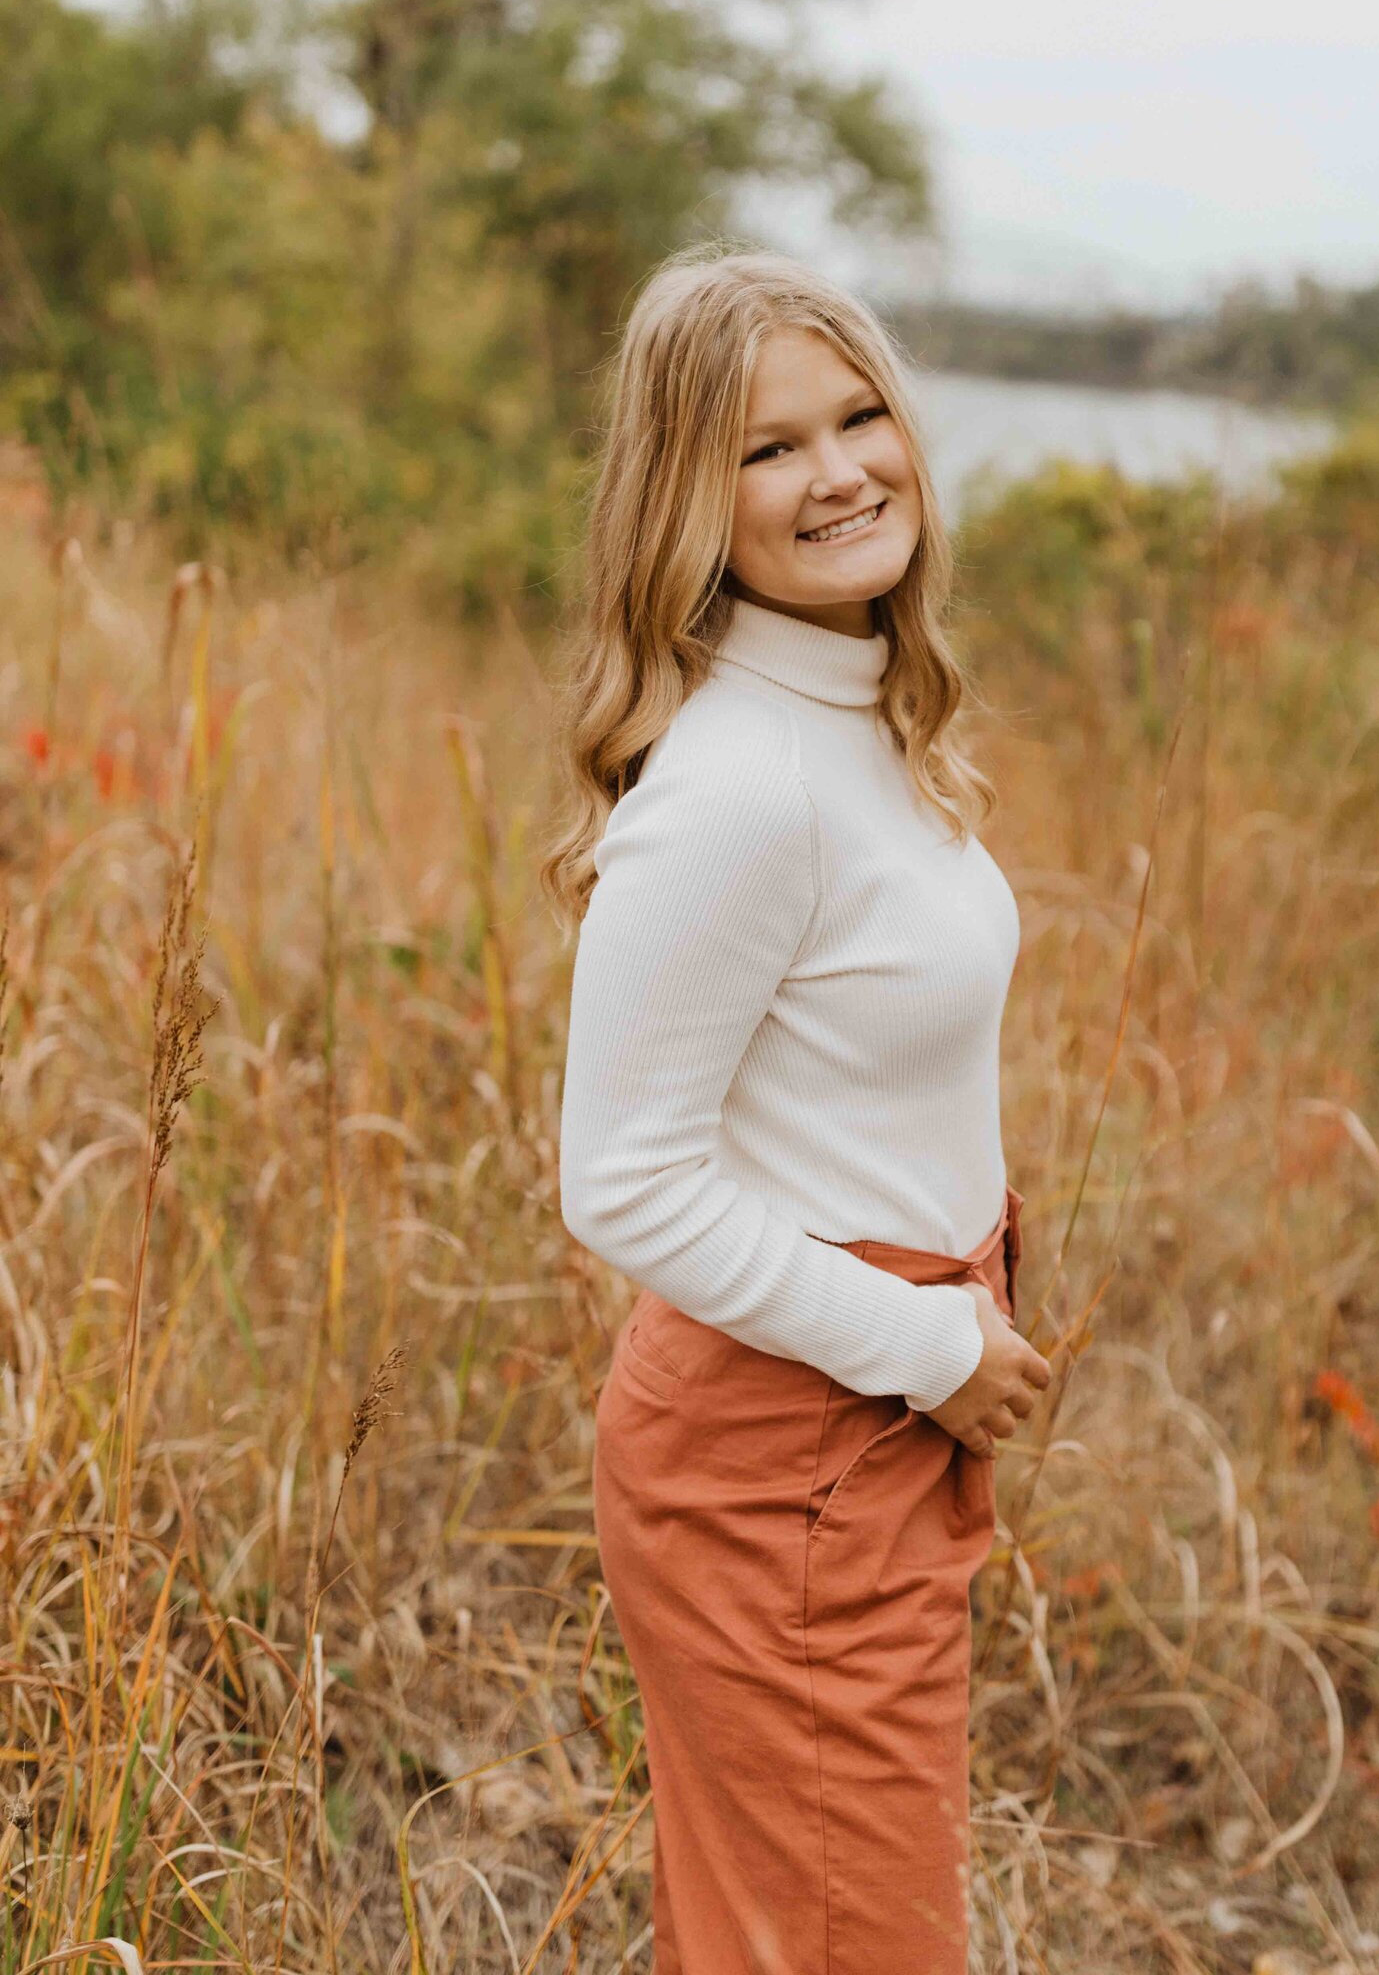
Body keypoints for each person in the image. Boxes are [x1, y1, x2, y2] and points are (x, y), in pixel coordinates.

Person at [540, 242, 1052, 1974]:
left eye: (858, 417)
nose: (838, 473)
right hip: (796, 1448)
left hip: (849, 1429)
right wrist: (934, 1347)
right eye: (768, 449)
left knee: (797, 1931)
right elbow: (621, 1184)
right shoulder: (745, 782)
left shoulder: (856, 711)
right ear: (690, 496)